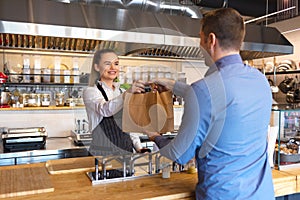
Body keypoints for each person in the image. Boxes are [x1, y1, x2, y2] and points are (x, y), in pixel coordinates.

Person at [144, 8, 275, 199]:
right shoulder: (261, 81)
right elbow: (219, 99)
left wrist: (154, 136)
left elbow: (180, 154)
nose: (199, 45)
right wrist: (173, 86)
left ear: (211, 40)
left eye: (200, 38)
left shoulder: (204, 90)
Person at [83, 49, 147, 156]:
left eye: (116, 64)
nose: (113, 68)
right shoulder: (91, 92)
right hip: (102, 154)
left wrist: (138, 147)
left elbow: (129, 125)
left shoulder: (121, 92)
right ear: (97, 67)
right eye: (108, 64)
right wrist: (128, 94)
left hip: (126, 153)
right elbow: (105, 110)